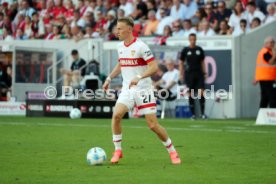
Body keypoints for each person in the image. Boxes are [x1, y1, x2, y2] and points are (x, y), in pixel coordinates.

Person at [102, 17, 181, 165]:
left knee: (153, 126)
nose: (116, 31)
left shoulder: (141, 46)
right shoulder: (120, 46)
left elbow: (154, 67)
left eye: (119, 28)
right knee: (117, 115)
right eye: (116, 28)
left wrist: (139, 76)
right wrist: (109, 78)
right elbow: (121, 64)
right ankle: (118, 150)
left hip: (143, 89)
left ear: (129, 29)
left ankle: (172, 151)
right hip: (128, 89)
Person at [179, 33, 207, 120]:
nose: (193, 41)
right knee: (191, 94)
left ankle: (202, 114)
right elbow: (181, 63)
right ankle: (193, 115)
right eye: (191, 39)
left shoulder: (199, 49)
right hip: (189, 74)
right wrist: (181, 74)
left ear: (196, 39)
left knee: (201, 93)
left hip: (199, 74)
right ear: (189, 39)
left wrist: (205, 72)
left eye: (194, 39)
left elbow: (202, 62)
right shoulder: (185, 50)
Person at [253, 36, 276, 108]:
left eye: (273, 42)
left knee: (265, 98)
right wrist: (275, 53)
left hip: (266, 78)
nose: (273, 44)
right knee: (273, 97)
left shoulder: (267, 52)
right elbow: (271, 62)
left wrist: (256, 78)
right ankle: (273, 114)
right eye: (271, 42)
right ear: (266, 44)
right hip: (267, 79)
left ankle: (262, 114)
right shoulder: (265, 52)